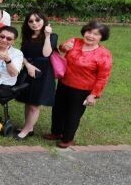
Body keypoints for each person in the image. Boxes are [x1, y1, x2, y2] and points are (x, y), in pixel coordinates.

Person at [45, 21, 112, 149]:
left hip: (82, 89)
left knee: (73, 114)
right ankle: (56, 132)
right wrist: (64, 47)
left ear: (101, 37)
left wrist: (93, 95)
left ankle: (67, 139)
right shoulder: (74, 41)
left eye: (96, 34)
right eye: (89, 32)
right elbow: (61, 49)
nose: (91, 36)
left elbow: (103, 77)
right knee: (58, 109)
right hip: (64, 83)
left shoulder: (104, 54)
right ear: (84, 32)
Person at [15, 11, 57, 141]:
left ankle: (27, 130)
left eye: (37, 20)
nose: (34, 23)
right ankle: (29, 127)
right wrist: (28, 65)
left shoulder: (52, 36)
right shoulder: (28, 37)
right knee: (28, 101)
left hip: (43, 73)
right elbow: (22, 55)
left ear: (44, 21)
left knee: (35, 104)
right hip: (29, 70)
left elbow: (46, 54)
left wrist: (47, 35)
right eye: (31, 21)